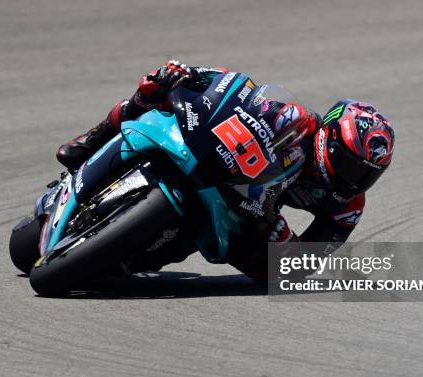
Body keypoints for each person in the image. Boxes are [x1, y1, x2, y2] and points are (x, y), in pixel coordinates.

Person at [56, 60, 395, 281]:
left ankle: (138, 251)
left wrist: (284, 244)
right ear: (329, 139)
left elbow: (306, 265)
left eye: (367, 176)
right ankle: (93, 138)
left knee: (231, 254)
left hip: (253, 214)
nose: (355, 182)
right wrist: (190, 75)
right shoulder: (294, 120)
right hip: (226, 169)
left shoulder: (347, 207)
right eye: (351, 166)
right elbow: (234, 89)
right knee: (152, 91)